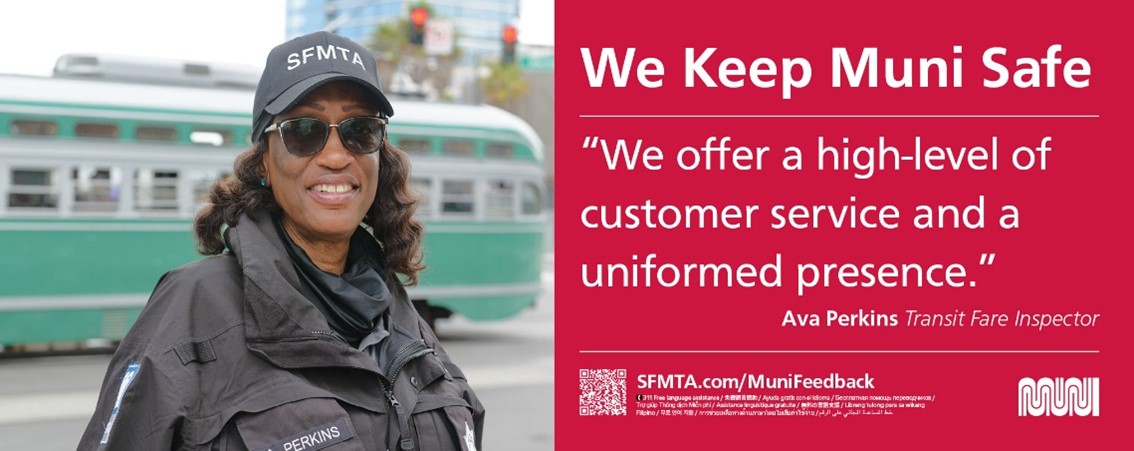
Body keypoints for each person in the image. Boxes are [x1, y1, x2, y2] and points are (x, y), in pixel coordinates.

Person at [79, 31, 484, 450]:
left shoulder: (404, 322)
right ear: (265, 164)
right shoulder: (191, 309)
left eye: (360, 130)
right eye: (304, 130)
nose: (335, 156)